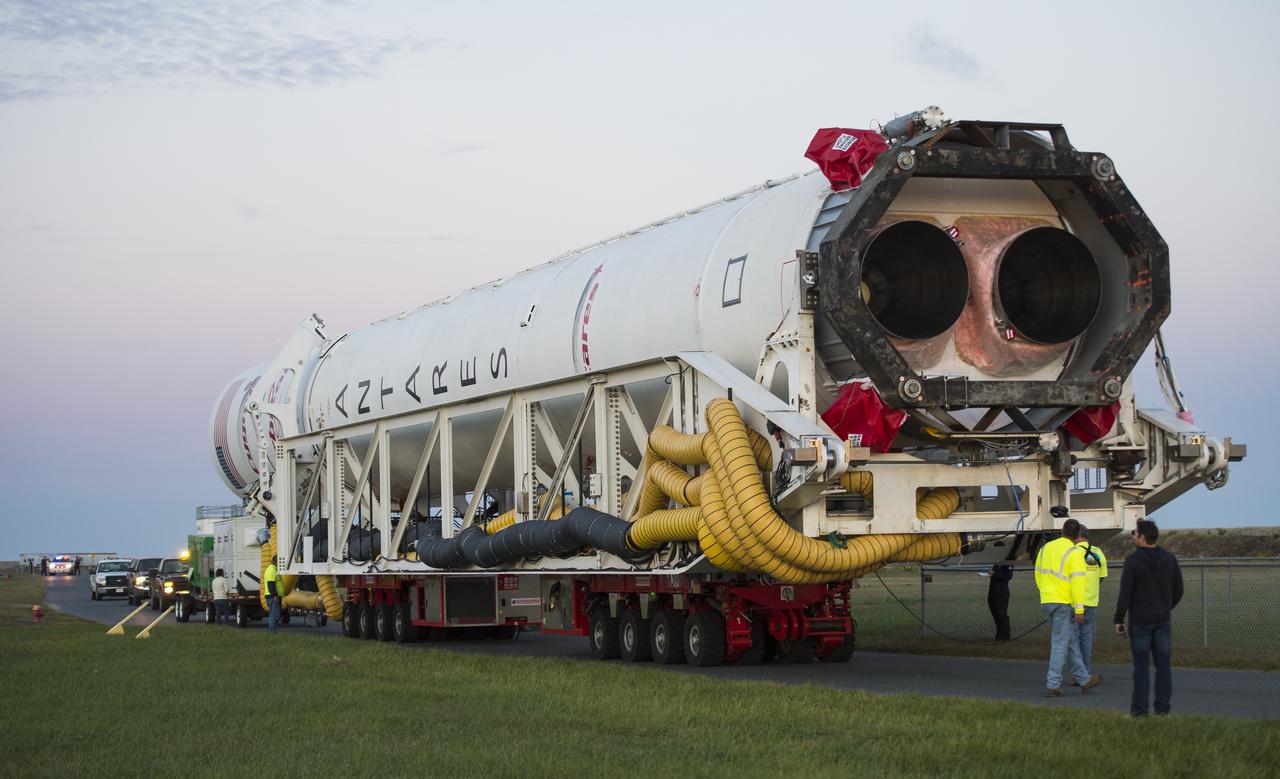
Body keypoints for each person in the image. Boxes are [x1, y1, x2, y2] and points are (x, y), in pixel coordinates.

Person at [1114, 519, 1183, 717]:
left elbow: (1125, 593)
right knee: (1163, 666)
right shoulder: (1169, 559)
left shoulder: (1133, 561)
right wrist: (1166, 606)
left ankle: (1139, 711)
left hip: (1140, 622)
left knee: (1141, 667)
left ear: (1143, 536)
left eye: (1135, 533)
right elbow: (1179, 589)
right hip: (1163, 620)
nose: (1134, 536)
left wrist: (1119, 618)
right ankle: (1162, 709)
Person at [1033, 508, 1100, 696]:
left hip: (1047, 599)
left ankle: (1084, 679)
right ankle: (1053, 684)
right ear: (1076, 534)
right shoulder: (1075, 553)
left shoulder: (1046, 549)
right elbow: (1078, 583)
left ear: (1062, 531)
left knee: (1068, 640)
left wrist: (1044, 591)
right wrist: (1079, 609)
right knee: (1060, 643)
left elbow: (1038, 572)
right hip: (1063, 603)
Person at [1075, 526, 1107, 677]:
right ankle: (1086, 671)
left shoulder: (1072, 552)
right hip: (1092, 601)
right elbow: (1102, 576)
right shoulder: (1097, 552)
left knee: (1072, 638)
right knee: (1086, 638)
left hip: (1075, 601)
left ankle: (1078, 673)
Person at [986, 563, 1013, 641]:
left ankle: (1005, 636)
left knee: (1002, 615)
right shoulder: (996, 564)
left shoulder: (1007, 564)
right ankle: (999, 635)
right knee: (996, 615)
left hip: (1001, 594)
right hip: (993, 593)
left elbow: (1008, 576)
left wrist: (994, 573)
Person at [263, 559, 283, 633]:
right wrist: (275, 596)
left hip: (274, 596)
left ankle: (274, 633)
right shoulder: (271, 570)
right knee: (274, 615)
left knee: (276, 615)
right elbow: (270, 584)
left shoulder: (274, 569)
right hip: (272, 597)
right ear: (276, 562)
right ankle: (272, 633)